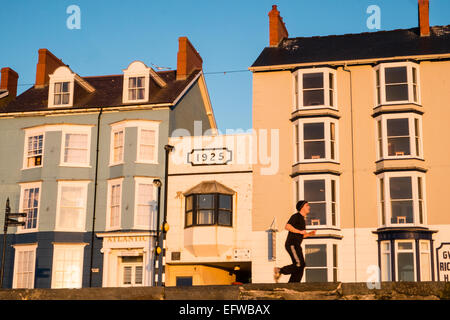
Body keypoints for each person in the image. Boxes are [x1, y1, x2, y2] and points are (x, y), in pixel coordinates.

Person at [274, 200, 316, 283]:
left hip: (296, 244)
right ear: (302, 207)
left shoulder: (302, 220)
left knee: (301, 265)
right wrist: (300, 231)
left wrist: (309, 234)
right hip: (292, 244)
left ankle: (293, 284)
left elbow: (301, 235)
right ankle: (279, 270)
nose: (309, 207)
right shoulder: (296, 216)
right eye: (307, 205)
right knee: (299, 264)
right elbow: (287, 226)